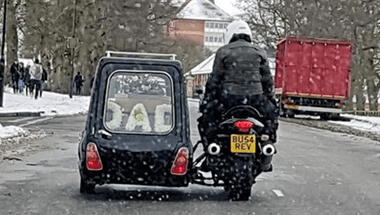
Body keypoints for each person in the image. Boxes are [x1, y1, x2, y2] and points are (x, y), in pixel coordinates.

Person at [197, 20, 278, 171]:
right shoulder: (260, 52)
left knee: (206, 120)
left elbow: (214, 80)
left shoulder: (223, 52)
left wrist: (208, 100)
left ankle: (211, 149)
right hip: (255, 100)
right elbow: (267, 81)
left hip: (229, 100)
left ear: (230, 34)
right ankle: (267, 144)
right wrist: (270, 100)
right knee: (270, 118)